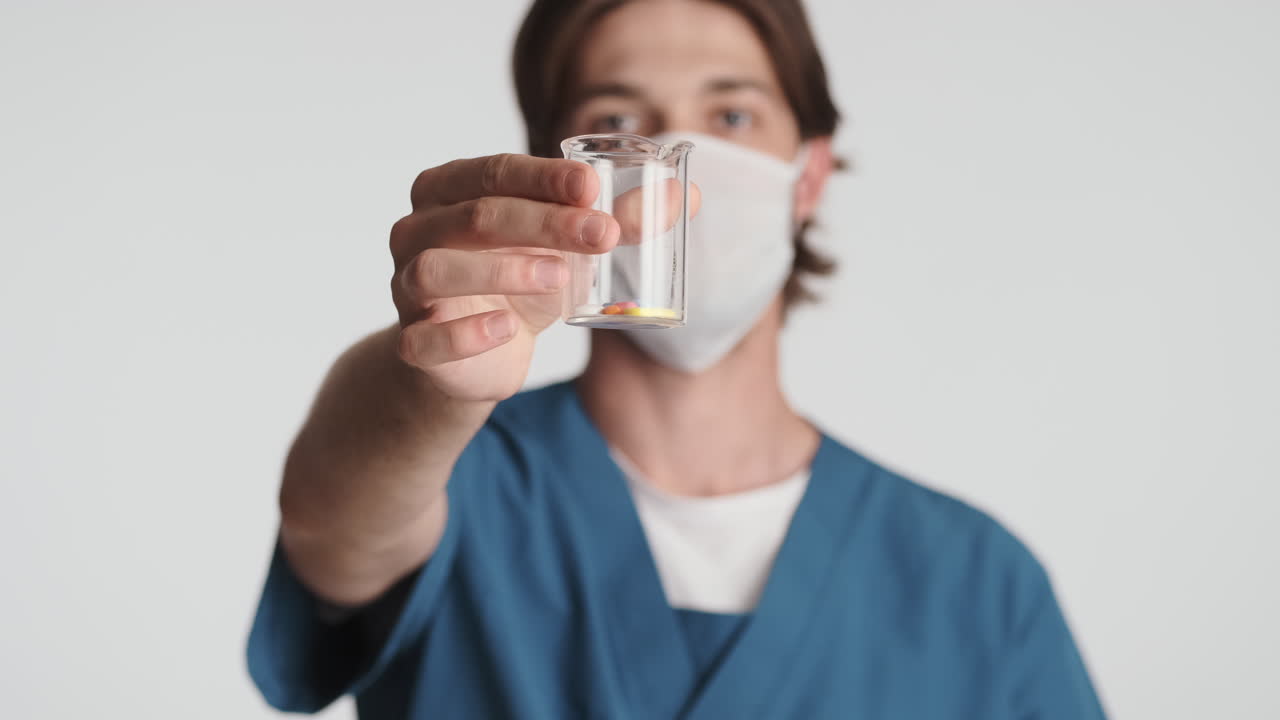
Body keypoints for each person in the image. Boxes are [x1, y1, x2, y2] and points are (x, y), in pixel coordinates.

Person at [246, 1, 1107, 717]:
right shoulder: (468, 486)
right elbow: (334, 519)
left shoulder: (975, 587)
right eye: (617, 122)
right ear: (557, 174)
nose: (677, 165)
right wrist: (433, 377)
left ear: (808, 177)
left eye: (732, 115)